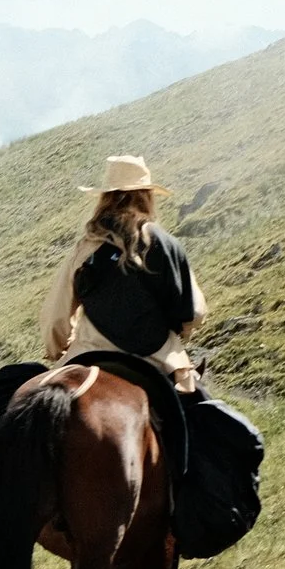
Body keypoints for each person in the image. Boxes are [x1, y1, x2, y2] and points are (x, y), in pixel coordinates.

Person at [40, 155, 207, 392]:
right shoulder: (167, 245)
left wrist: (56, 350)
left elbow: (56, 313)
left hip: (91, 351)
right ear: (147, 197)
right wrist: (181, 335)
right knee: (204, 414)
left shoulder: (86, 248)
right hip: (159, 357)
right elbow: (195, 312)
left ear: (105, 198)